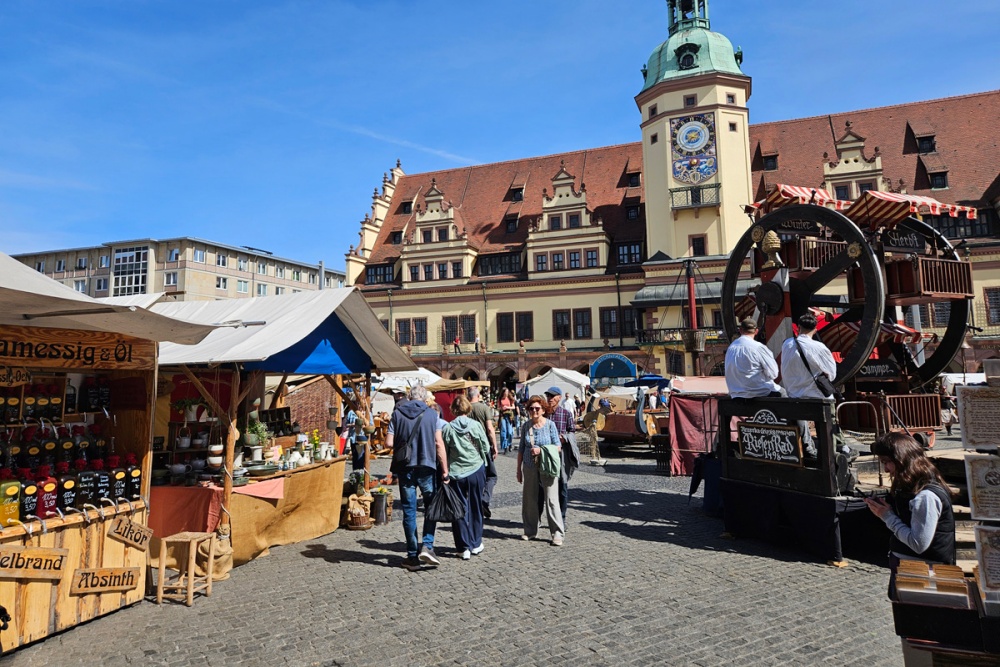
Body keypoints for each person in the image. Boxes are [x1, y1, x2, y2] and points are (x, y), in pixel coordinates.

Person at [865, 432, 956, 588]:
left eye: (886, 462)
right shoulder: (911, 487)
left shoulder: (925, 496)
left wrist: (887, 516)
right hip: (912, 568)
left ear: (901, 459)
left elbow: (918, 543)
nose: (885, 470)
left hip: (923, 573)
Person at [386, 385, 449, 571]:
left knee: (409, 511)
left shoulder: (397, 413)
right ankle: (427, 546)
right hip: (427, 466)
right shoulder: (432, 414)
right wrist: (445, 470)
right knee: (430, 507)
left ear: (409, 396)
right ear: (424, 398)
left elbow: (388, 442)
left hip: (405, 467)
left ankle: (412, 556)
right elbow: (439, 444)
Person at [780, 312, 837, 457]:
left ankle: (806, 450)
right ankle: (831, 455)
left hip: (795, 395)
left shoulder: (787, 345)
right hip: (818, 396)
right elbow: (832, 374)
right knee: (827, 427)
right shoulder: (819, 347)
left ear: (798, 327)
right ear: (815, 329)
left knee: (798, 420)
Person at [442, 395, 490, 560]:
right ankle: (476, 543)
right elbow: (485, 446)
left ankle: (463, 547)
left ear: (453, 410)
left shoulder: (448, 428)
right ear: (468, 408)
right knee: (476, 506)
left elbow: (444, 452)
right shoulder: (476, 425)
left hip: (457, 473)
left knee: (458, 509)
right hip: (476, 470)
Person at [517, 394, 565, 545]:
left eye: (537, 408)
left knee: (551, 500)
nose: (534, 411)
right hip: (529, 466)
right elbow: (521, 448)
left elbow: (558, 446)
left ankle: (557, 533)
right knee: (529, 499)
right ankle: (530, 531)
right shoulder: (526, 426)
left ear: (543, 410)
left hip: (547, 466)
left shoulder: (550, 425)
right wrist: (518, 469)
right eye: (531, 409)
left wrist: (541, 450)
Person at [543, 386, 580, 526]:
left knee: (562, 487)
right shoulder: (544, 414)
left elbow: (572, 431)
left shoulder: (566, 414)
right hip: (546, 454)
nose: (549, 399)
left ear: (559, 397)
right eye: (548, 396)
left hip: (561, 454)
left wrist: (564, 437)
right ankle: (541, 518)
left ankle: (561, 519)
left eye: (552, 396)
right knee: (543, 487)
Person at [725, 318, 782, 398]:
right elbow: (773, 374)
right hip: (760, 392)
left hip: (735, 394)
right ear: (756, 331)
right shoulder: (758, 347)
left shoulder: (731, 348)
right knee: (784, 394)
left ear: (740, 330)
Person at [467, 386, 498, 516]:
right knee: (491, 475)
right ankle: (484, 500)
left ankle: (476, 502)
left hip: (469, 447)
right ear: (478, 395)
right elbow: (490, 429)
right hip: (484, 446)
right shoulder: (484, 408)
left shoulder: (466, 409)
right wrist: (495, 446)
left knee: (476, 475)